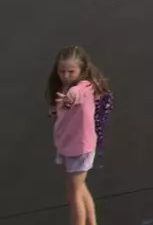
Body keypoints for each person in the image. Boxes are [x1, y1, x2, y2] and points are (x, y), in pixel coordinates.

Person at [48, 45, 109, 225]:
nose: (66, 76)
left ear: (82, 70)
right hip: (67, 145)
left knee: (74, 195)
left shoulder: (85, 88)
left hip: (79, 148)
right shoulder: (66, 86)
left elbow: (77, 95)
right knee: (79, 188)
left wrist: (69, 98)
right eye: (62, 71)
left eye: (71, 72)